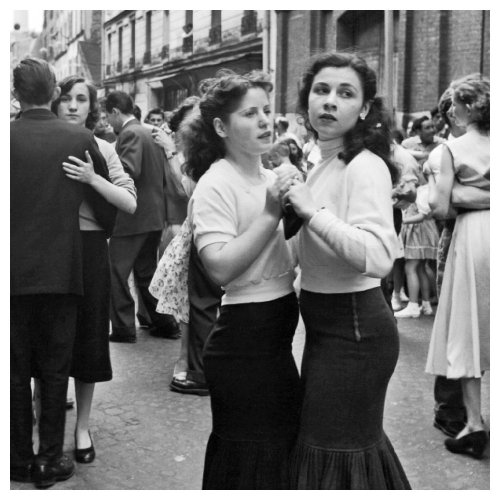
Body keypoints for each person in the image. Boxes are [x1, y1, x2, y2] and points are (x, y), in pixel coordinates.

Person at [278, 52, 410, 489]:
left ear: (365, 109)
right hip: (328, 327)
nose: (330, 101)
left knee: (336, 453)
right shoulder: (322, 165)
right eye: (322, 90)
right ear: (307, 101)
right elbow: (302, 254)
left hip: (355, 331)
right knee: (338, 450)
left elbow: (377, 257)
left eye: (345, 93)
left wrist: (311, 211)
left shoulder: (364, 166)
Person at [184, 71, 301, 489]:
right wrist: (273, 214)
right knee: (248, 462)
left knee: (277, 456)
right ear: (221, 127)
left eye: (267, 111)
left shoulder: (270, 178)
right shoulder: (216, 183)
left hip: (277, 340)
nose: (265, 120)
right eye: (250, 113)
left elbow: (286, 254)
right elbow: (218, 267)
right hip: (243, 345)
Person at [10, 58, 114, 488]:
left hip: (11, 274)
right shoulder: (78, 138)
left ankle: (17, 458)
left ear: (15, 93)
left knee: (14, 370)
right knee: (55, 368)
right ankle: (49, 461)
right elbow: (107, 210)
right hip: (62, 270)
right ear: (53, 91)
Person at [50, 76, 137, 463]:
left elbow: (129, 202)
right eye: (65, 98)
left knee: (88, 340)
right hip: (47, 250)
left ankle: (82, 427)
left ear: (91, 107)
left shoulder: (103, 148)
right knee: (45, 335)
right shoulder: (39, 143)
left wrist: (92, 177)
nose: (72, 105)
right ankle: (43, 409)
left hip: (88, 250)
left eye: (80, 99)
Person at [425, 74, 490, 458]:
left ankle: (474, 422)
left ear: (467, 108)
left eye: (456, 105)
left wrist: (465, 193)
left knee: (467, 327)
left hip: (473, 237)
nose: (451, 112)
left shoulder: (453, 148)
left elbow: (439, 204)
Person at [104, 91, 179, 342]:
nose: (107, 122)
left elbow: (128, 171)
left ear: (115, 112)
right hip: (154, 214)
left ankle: (124, 328)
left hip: (133, 217)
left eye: (107, 116)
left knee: (115, 272)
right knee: (147, 273)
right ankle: (164, 323)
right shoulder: (150, 131)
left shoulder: (130, 133)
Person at [394, 173, 439, 319]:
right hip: (424, 231)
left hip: (420, 231)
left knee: (410, 267)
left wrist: (403, 221)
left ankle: (413, 305)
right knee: (420, 268)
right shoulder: (424, 190)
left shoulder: (422, 192)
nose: (403, 187)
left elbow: (422, 215)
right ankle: (425, 304)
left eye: (405, 183)